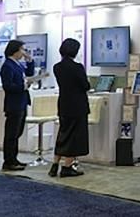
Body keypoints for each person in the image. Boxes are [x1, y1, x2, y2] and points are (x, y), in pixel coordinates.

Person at [49, 38, 90, 178]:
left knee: (63, 134)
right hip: (77, 106)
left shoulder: (57, 67)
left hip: (64, 104)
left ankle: (55, 164)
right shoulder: (77, 67)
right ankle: (67, 166)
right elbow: (85, 85)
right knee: (75, 137)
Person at [0, 40, 34, 171]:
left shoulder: (17, 64)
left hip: (21, 102)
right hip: (14, 104)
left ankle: (14, 158)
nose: (24, 52)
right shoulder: (7, 66)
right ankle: (9, 161)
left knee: (17, 133)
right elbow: (8, 86)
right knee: (11, 134)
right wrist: (23, 86)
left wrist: (30, 61)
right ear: (15, 50)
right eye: (22, 50)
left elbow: (28, 74)